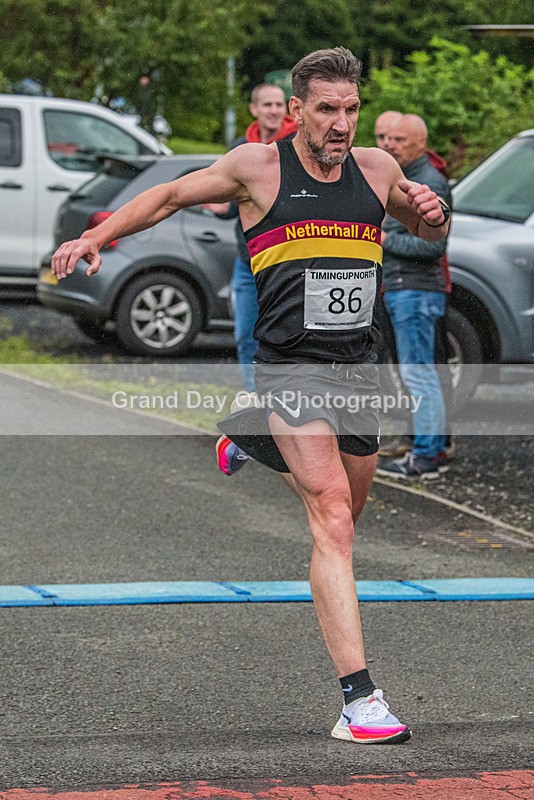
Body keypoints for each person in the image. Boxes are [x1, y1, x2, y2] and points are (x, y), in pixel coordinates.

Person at [51, 47, 450, 745]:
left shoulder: (379, 169)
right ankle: (359, 700)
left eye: (351, 109)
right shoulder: (257, 167)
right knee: (332, 519)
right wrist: (97, 235)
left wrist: (431, 210)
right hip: (290, 365)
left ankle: (251, 434)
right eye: (327, 109)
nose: (341, 124)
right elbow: (170, 194)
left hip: (358, 366)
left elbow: (425, 231)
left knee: (351, 509)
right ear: (296, 110)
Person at [216, 84, 297, 476]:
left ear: (287, 109)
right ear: (254, 109)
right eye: (266, 105)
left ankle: (280, 416)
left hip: (282, 259)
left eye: (278, 105)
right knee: (246, 332)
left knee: (282, 333)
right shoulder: (239, 146)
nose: (272, 111)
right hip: (246, 261)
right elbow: (223, 202)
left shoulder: (295, 144)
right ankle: (255, 413)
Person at [374, 113, 452, 479]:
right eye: (385, 138)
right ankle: (425, 447)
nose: (390, 145)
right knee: (416, 374)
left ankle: (426, 457)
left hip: (417, 289)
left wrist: (386, 240)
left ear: (420, 143)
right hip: (403, 287)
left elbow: (435, 245)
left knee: (421, 375)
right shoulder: (405, 175)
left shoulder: (429, 180)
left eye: (399, 140)